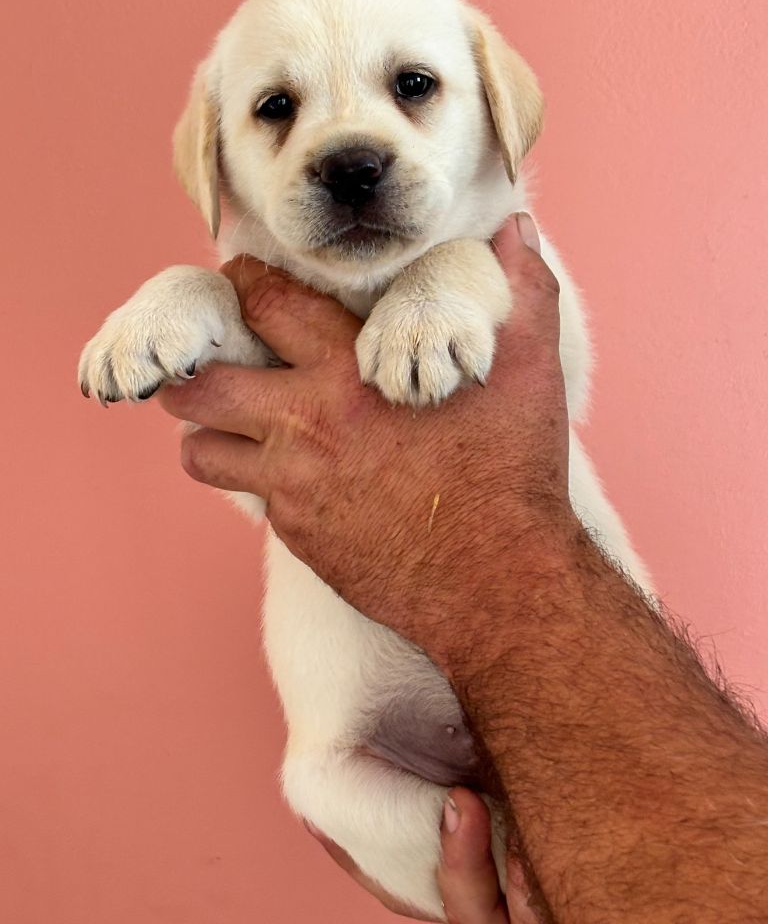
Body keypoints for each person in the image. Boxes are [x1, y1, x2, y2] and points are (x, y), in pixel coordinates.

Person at [158, 216, 768, 923]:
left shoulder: (496, 255)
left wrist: (453, 279)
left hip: (610, 734)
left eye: (415, 96)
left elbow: (565, 378)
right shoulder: (249, 286)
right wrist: (190, 301)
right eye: (275, 130)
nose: (346, 161)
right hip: (389, 758)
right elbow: (258, 476)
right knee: (324, 788)